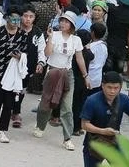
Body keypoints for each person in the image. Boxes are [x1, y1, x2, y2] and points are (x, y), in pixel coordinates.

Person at [33, 11, 91, 151]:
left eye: (66, 21)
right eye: (62, 21)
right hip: (53, 71)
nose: (63, 23)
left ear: (72, 24)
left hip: (67, 73)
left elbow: (79, 58)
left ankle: (67, 138)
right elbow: (47, 54)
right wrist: (50, 38)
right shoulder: (54, 35)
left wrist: (85, 76)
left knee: (67, 107)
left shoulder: (76, 40)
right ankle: (41, 125)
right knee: (46, 102)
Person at [0, 8, 27, 143]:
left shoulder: (22, 35)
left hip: (13, 73)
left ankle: (2, 131)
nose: (15, 22)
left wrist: (20, 56)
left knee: (9, 103)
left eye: (18, 20)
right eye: (13, 19)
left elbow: (25, 54)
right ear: (7, 18)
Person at [10, 4, 46, 128]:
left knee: (21, 90)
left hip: (27, 68)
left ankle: (16, 112)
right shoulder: (14, 29)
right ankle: (10, 109)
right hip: (11, 65)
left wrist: (41, 62)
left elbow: (42, 50)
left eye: (31, 16)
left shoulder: (37, 33)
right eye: (25, 16)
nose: (28, 19)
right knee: (10, 89)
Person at [86, 22, 108, 95]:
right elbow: (103, 62)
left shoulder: (89, 47)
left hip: (89, 77)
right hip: (98, 78)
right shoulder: (104, 47)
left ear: (92, 33)